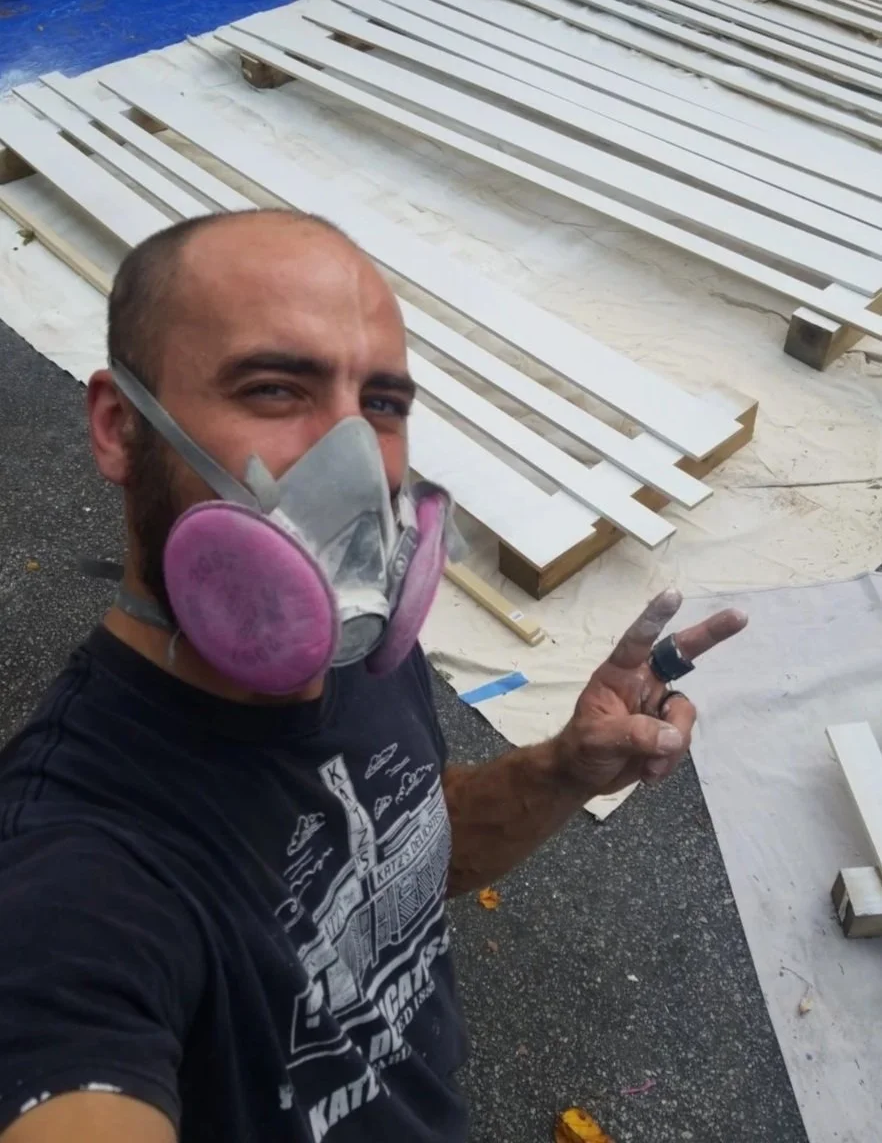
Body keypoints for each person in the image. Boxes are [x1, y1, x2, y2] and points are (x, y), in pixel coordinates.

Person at [0, 210, 747, 1143]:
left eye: (383, 406)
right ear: (118, 426)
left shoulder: (355, 657)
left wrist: (564, 768)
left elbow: (410, 846)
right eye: (275, 389)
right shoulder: (73, 867)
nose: (350, 460)